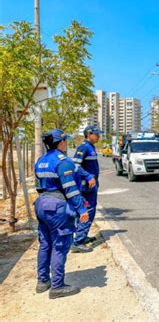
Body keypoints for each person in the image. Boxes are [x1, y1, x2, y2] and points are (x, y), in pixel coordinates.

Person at [34, 129, 89, 299]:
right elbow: (71, 190)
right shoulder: (63, 162)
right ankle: (57, 286)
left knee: (45, 243)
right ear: (61, 142)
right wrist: (81, 209)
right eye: (65, 140)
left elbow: (38, 186)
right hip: (57, 205)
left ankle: (43, 281)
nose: (66, 143)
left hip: (42, 203)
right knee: (60, 244)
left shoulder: (41, 161)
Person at [71, 125, 103, 253]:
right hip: (86, 186)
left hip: (91, 185)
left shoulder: (91, 147)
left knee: (89, 211)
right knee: (87, 211)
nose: (98, 136)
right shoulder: (83, 147)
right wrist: (89, 176)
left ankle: (82, 237)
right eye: (96, 134)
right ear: (89, 134)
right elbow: (75, 165)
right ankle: (78, 242)